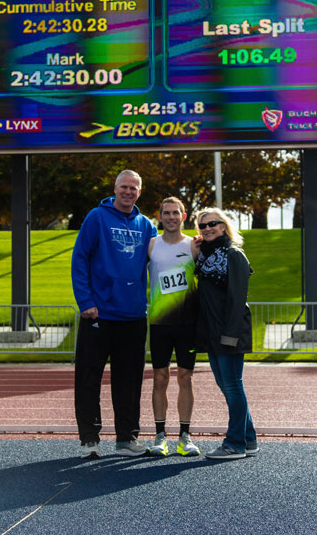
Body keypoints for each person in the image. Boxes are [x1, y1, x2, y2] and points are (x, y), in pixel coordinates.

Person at [71, 169, 158, 458]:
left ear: (140, 191)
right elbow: (80, 258)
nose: (128, 192)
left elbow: (163, 258)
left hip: (133, 316)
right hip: (98, 314)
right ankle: (89, 440)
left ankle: (126, 439)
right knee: (88, 377)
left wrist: (190, 246)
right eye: (124, 186)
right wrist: (85, 301)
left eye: (134, 188)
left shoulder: (146, 225)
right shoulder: (97, 217)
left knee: (129, 380)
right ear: (115, 188)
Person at [194, 207, 259, 460]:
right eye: (203, 225)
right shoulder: (205, 255)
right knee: (227, 385)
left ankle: (235, 444)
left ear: (224, 225)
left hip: (229, 333)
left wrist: (230, 336)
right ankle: (249, 439)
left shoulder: (233, 254)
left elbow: (237, 298)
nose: (208, 228)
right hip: (212, 333)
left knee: (232, 386)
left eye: (213, 224)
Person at [147, 197, 200, 457]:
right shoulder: (152, 246)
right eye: (166, 213)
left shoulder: (193, 245)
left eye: (175, 213)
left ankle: (185, 436)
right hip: (159, 323)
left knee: (185, 378)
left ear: (183, 216)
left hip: (187, 324)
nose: (170, 217)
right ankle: (159, 436)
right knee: (160, 377)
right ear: (160, 216)